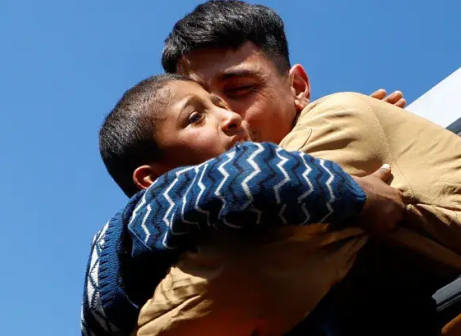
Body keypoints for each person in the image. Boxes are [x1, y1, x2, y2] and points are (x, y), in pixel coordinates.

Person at [81, 73, 405, 336]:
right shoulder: (151, 209)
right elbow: (251, 178)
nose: (232, 116)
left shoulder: (185, 227)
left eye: (219, 104)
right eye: (196, 118)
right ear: (152, 180)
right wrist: (360, 193)